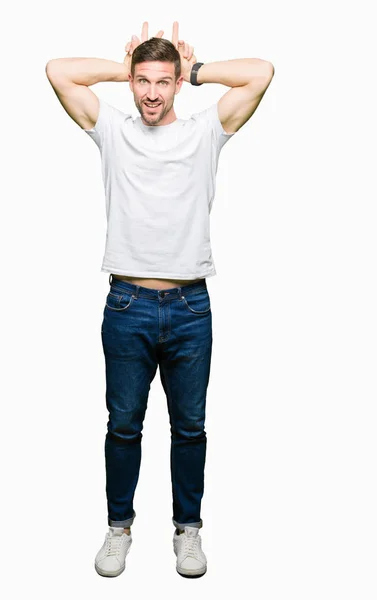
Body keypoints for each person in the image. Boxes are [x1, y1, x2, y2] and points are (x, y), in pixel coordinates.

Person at [46, 21, 274, 578]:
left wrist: (195, 71)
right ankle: (118, 528)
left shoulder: (205, 131)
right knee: (123, 424)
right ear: (131, 83)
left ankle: (187, 531)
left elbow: (261, 74)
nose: (151, 92)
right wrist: (122, 67)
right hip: (127, 305)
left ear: (176, 86)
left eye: (162, 81)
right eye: (142, 81)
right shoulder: (112, 129)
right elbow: (57, 72)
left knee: (189, 427)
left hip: (191, 308)